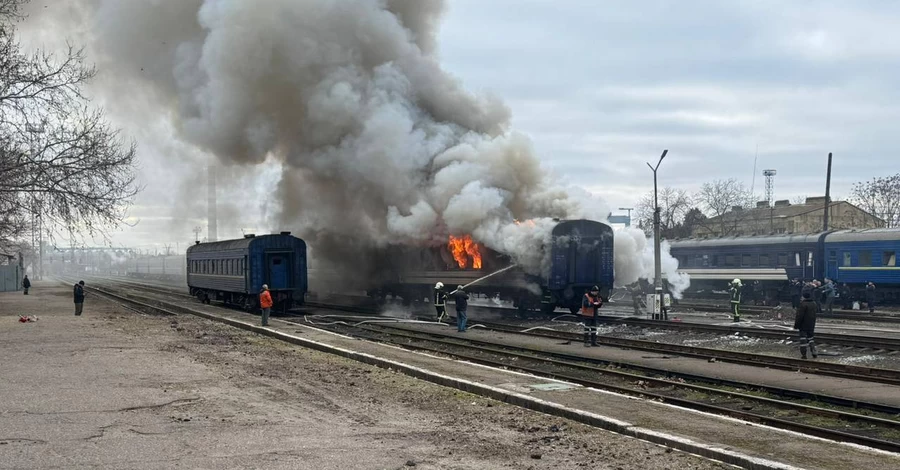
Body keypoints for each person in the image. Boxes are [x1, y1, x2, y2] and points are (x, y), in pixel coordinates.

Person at [794, 292, 818, 359]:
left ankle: (804, 354)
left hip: (803, 325)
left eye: (802, 297)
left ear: (804, 297)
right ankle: (814, 351)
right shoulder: (814, 303)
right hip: (811, 324)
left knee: (803, 340)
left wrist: (796, 325)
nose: (801, 298)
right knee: (811, 338)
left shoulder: (803, 304)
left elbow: (799, 316)